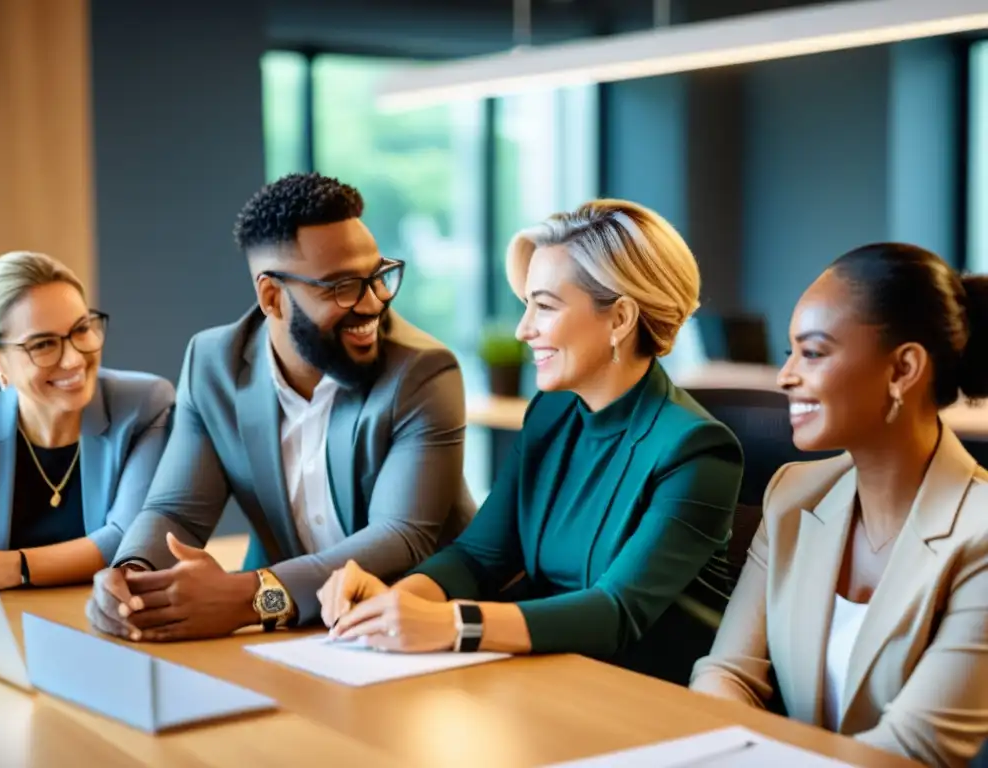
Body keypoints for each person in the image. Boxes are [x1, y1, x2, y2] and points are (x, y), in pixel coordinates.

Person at [317, 199, 745, 683]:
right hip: (550, 674)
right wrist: (401, 600)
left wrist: (453, 624)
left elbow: (615, 612)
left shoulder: (697, 449)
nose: (524, 330)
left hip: (645, 696)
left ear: (620, 319)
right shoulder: (552, 413)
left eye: (544, 306)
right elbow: (479, 555)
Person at [85, 172, 474, 642]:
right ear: (272, 296)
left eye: (377, 276)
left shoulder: (422, 372)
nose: (372, 304)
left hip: (411, 629)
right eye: (342, 287)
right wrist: (130, 577)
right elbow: (178, 512)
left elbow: (401, 536)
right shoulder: (213, 364)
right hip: (298, 640)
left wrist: (249, 599)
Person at [690, 243, 988, 768]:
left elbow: (913, 750)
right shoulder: (792, 496)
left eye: (813, 352)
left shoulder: (979, 533)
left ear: (902, 369)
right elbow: (726, 673)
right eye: (789, 353)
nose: (785, 376)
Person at [0, 251, 174, 589]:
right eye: (44, 344)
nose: (74, 359)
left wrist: (14, 567)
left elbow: (134, 537)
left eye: (81, 330)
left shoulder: (144, 405)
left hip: (100, 621)